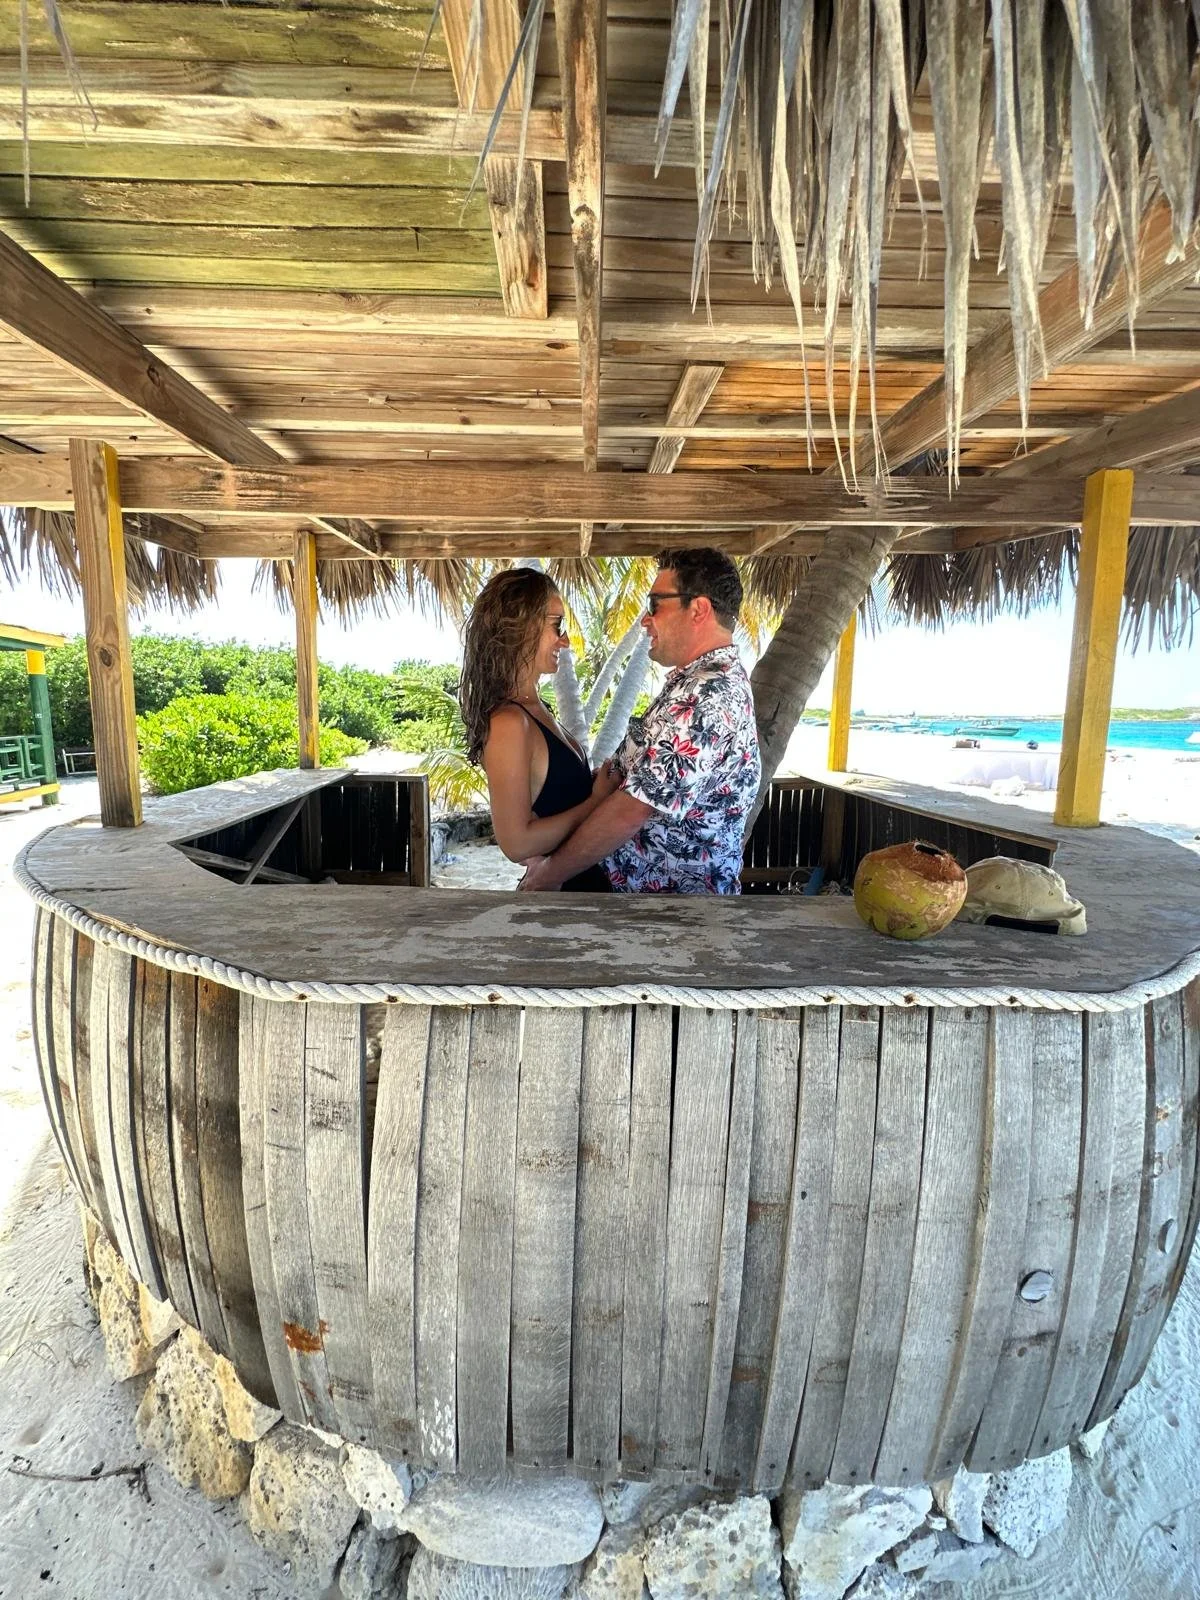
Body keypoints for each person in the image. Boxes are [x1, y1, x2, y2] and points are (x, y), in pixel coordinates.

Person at [520, 549, 761, 894]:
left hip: (658, 911)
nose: (644, 620)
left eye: (654, 604)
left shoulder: (707, 695)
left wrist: (550, 874)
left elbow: (632, 810)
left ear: (699, 610)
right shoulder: (698, 683)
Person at [459, 567, 618, 891]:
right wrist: (596, 801)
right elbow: (517, 843)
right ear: (520, 626)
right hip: (562, 898)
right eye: (556, 625)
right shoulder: (509, 722)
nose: (566, 640)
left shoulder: (536, 708)